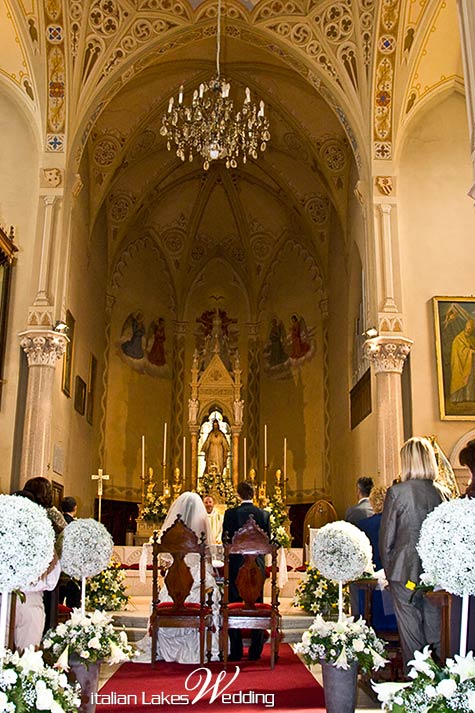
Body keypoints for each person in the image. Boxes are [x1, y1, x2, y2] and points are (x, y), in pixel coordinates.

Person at [379, 437, 448, 670]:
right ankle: (440, 681)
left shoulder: (398, 492)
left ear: (406, 461)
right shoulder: (443, 492)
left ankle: (416, 680)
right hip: (435, 573)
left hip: (404, 572)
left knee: (410, 630)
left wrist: (390, 573)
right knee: (435, 627)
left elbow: (386, 539)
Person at [136, 491, 220, 664]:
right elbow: (209, 558)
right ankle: (204, 646)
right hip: (198, 577)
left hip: (175, 583)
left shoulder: (171, 534)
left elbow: (165, 561)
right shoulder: (202, 527)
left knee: (168, 593)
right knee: (212, 594)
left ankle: (164, 646)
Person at [222, 481, 271, 661]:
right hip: (257, 566)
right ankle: (255, 651)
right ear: (254, 493)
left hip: (236, 566)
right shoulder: (264, 515)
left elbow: (225, 541)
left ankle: (235, 650)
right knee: (256, 603)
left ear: (238, 494)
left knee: (233, 603)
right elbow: (268, 542)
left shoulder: (230, 514)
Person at [12, 490, 61, 651]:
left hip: (10, 596)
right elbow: (53, 576)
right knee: (28, 658)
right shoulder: (41, 533)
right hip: (30, 597)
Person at [23, 477, 67, 630]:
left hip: (22, 572)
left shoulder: (23, 510)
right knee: (44, 609)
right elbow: (64, 535)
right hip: (46, 568)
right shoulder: (51, 513)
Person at [450, 318, 475, 402]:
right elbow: (460, 351)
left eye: (471, 329)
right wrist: (470, 352)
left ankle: (469, 397)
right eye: (468, 328)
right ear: (465, 327)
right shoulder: (458, 339)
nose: (469, 330)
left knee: (470, 381)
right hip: (460, 364)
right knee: (461, 380)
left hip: (471, 364)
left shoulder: (472, 339)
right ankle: (458, 399)